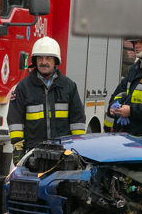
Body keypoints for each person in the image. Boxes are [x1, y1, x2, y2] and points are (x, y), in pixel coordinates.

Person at [8, 36, 87, 165]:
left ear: (56, 61)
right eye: (40, 58)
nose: (44, 62)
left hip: (63, 152)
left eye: (48, 58)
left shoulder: (69, 86)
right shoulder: (23, 87)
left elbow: (77, 120)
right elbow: (15, 120)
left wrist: (77, 147)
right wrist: (18, 149)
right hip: (33, 153)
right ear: (35, 60)